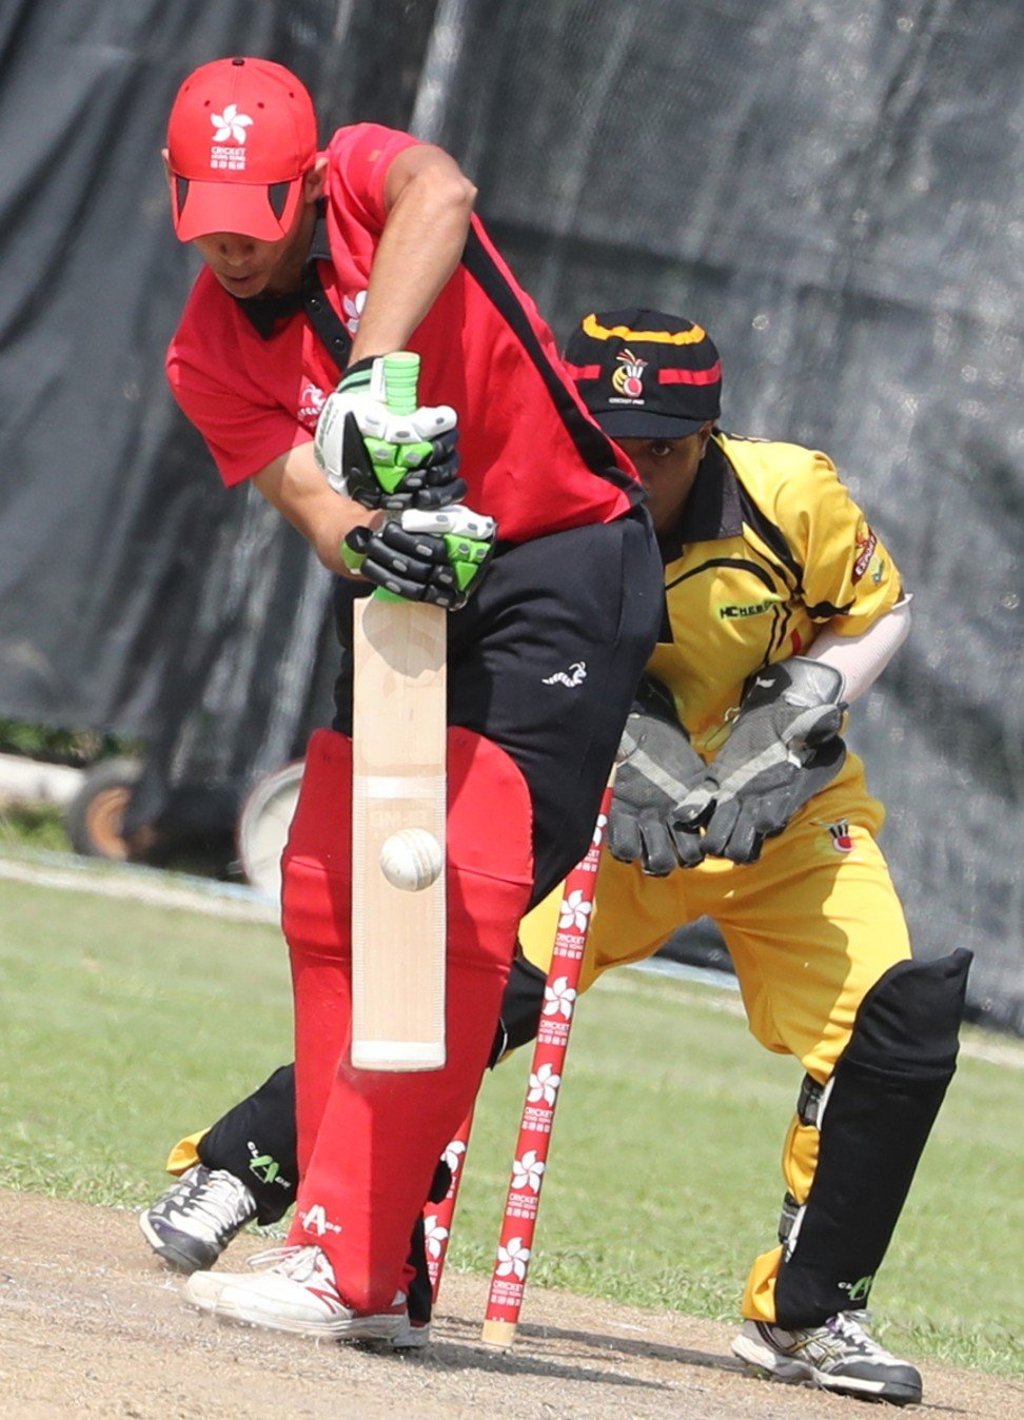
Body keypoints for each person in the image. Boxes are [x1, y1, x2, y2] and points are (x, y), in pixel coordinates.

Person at [142, 302, 970, 1406]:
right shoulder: (515, 498)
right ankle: (241, 1163)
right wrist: (619, 745)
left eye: (665, 449)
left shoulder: (791, 495)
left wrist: (803, 709)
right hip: (602, 830)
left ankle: (809, 1315)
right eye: (615, 441)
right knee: (448, 993)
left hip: (776, 825)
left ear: (709, 435)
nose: (639, 469)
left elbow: (879, 607)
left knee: (896, 1025)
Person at [156, 57, 663, 1346]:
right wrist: (372, 534)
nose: (229, 241)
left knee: (454, 896)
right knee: (331, 880)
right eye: (204, 209)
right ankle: (375, 1267)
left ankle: (341, 1252)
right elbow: (315, 507)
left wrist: (373, 369)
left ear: (306, 181)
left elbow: (444, 188)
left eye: (256, 210)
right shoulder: (204, 351)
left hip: (561, 554)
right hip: (415, 581)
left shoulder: (375, 177)